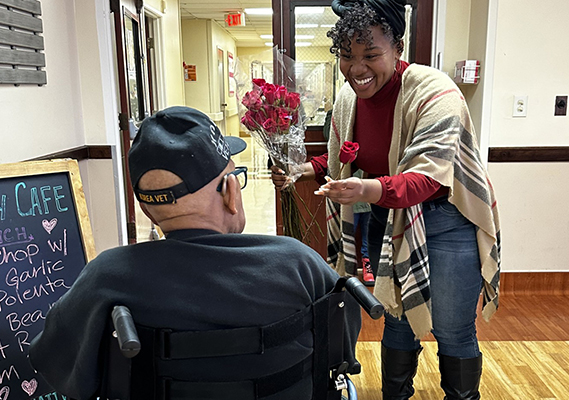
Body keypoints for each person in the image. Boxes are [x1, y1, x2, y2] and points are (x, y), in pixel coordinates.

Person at [29, 106, 361, 400]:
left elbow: (58, 364)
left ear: (147, 210)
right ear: (231, 191)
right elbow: (341, 348)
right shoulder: (299, 263)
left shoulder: (106, 276)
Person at [271, 1, 501, 399]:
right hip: (386, 217)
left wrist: (366, 190)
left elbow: (428, 176)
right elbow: (348, 155)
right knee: (396, 316)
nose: (357, 69)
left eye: (370, 55)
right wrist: (304, 171)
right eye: (347, 56)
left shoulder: (435, 92)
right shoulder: (348, 99)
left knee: (451, 327)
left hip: (444, 221)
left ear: (398, 46)